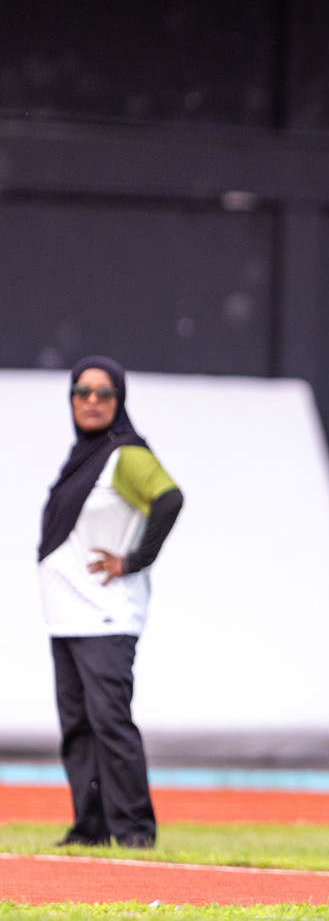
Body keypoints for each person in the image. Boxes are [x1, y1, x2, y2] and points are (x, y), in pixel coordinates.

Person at [38, 356, 184, 849]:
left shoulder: (125, 454)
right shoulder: (84, 456)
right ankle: (91, 827)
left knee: (109, 722)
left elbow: (169, 499)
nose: (92, 401)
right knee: (78, 727)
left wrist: (134, 559)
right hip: (66, 614)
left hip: (105, 613)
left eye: (104, 393)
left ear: (119, 400)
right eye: (83, 391)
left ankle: (135, 829)